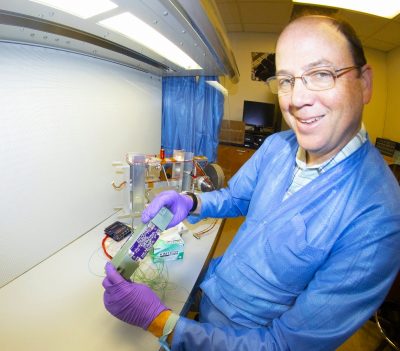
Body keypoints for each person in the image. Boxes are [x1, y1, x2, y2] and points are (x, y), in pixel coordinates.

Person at [102, 14, 400, 350]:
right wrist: (192, 202)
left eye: (321, 74)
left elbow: (281, 345)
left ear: (364, 83)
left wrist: (161, 323)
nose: (296, 99)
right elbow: (236, 197)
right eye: (286, 80)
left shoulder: (379, 219)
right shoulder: (278, 146)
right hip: (213, 290)